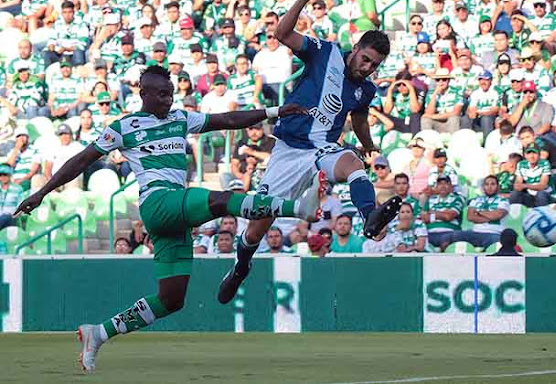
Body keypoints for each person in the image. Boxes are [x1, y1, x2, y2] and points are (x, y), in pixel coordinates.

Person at [13, 65, 324, 373]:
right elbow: (82, 159)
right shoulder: (124, 126)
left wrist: (275, 111)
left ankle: (98, 333)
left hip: (175, 213)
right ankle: (297, 209)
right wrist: (42, 192)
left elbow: (228, 119)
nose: (167, 100)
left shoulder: (179, 118)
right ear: (143, 93)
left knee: (172, 298)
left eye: (170, 94)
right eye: (161, 94)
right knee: (219, 199)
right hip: (158, 202)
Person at [216, 0, 401, 305]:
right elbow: (282, 34)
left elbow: (358, 120)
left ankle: (370, 217)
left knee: (355, 164)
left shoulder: (366, 89)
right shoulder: (324, 52)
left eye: (375, 65)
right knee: (257, 228)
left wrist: (369, 145)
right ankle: (241, 266)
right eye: (366, 59)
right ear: (355, 48)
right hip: (289, 149)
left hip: (322, 149)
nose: (368, 68)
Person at [449, 175, 509, 248]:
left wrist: (479, 213)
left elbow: (497, 215)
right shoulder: (475, 200)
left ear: (498, 187)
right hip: (475, 232)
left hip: (494, 233)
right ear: (483, 187)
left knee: (497, 241)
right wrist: (491, 217)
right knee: (456, 235)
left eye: (493, 184)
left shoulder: (503, 201)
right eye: (487, 184)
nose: (489, 187)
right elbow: (470, 217)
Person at [421, 175, 464, 251]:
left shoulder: (457, 199)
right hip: (430, 233)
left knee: (446, 240)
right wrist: (442, 214)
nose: (443, 186)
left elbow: (449, 217)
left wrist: (433, 213)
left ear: (451, 186)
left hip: (449, 232)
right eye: (440, 184)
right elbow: (424, 218)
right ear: (436, 186)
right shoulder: (431, 199)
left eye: (446, 183)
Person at [0, 163, 24, 230]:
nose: (2, 177)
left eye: (5, 174)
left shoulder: (18, 189)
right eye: (0, 175)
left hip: (11, 218)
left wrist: (14, 215)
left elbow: (21, 207)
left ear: (10, 175)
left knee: (5, 217)